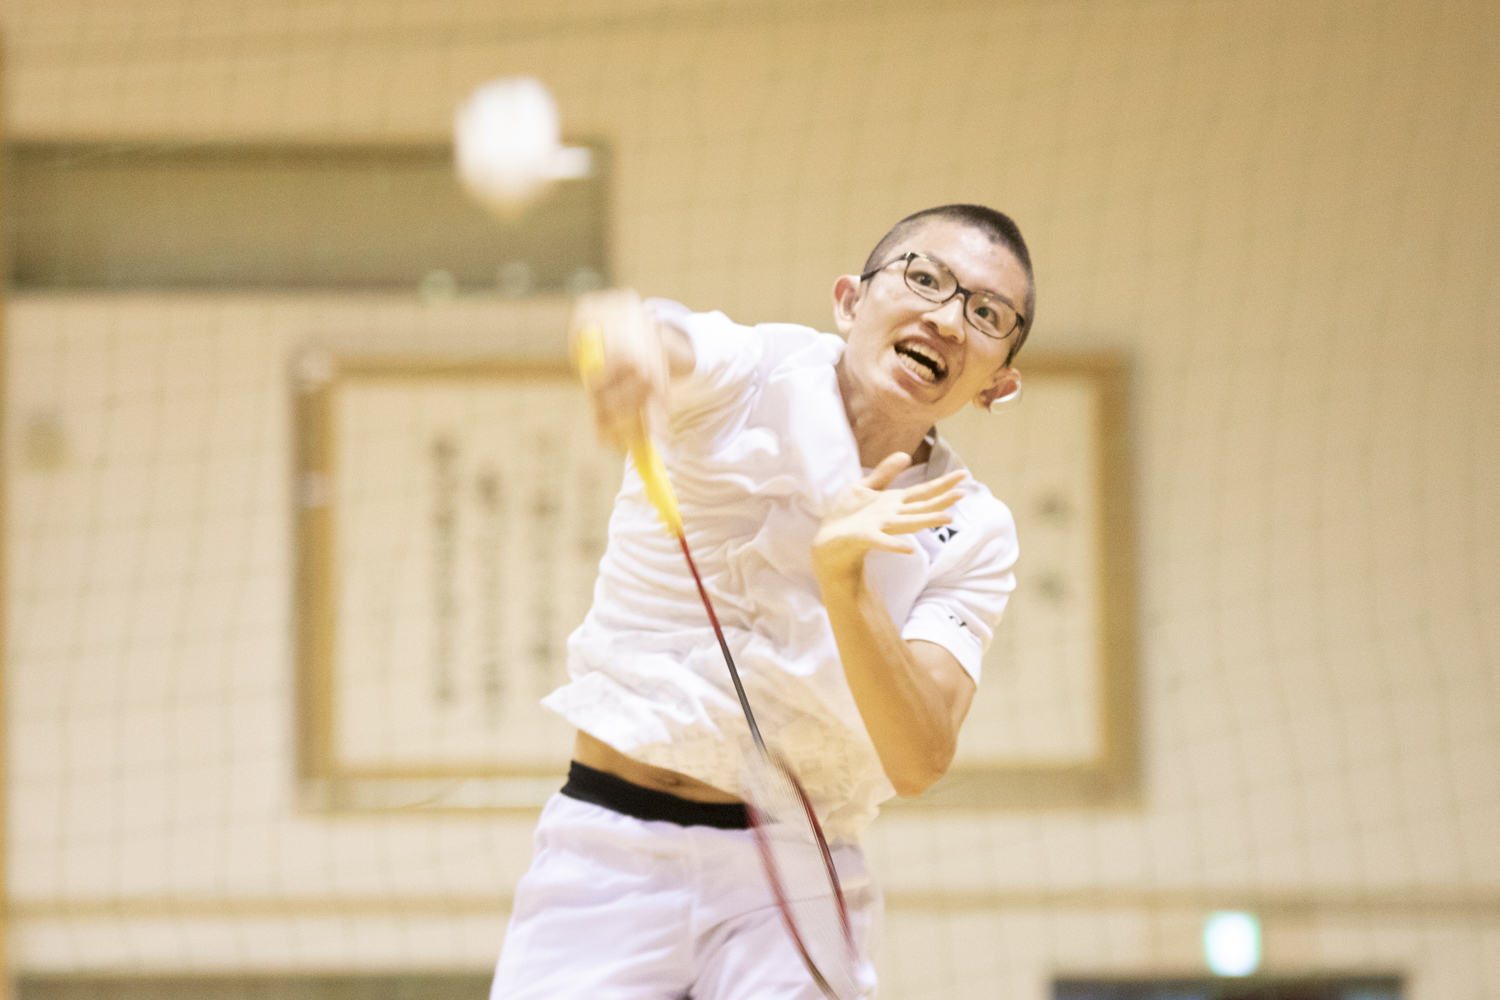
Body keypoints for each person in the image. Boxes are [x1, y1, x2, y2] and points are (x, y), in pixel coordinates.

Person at [491, 204, 1034, 999]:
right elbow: (657, 333)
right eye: (924, 278)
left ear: (999, 383)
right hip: (609, 851)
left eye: (986, 314)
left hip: (797, 878)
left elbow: (918, 759)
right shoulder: (750, 369)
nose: (947, 318)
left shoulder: (974, 530)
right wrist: (620, 333)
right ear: (850, 300)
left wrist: (844, 582)